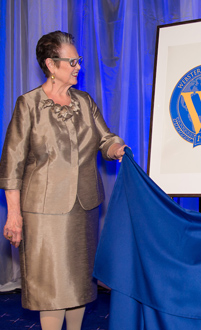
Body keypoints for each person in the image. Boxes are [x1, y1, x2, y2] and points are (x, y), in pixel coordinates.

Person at [0, 31, 127, 330]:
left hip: (83, 207)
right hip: (42, 213)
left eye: (78, 60)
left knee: (79, 283)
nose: (78, 66)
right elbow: (12, 164)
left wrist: (115, 148)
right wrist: (14, 216)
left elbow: (104, 138)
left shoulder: (85, 101)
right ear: (51, 64)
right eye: (72, 61)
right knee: (52, 287)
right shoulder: (27, 105)